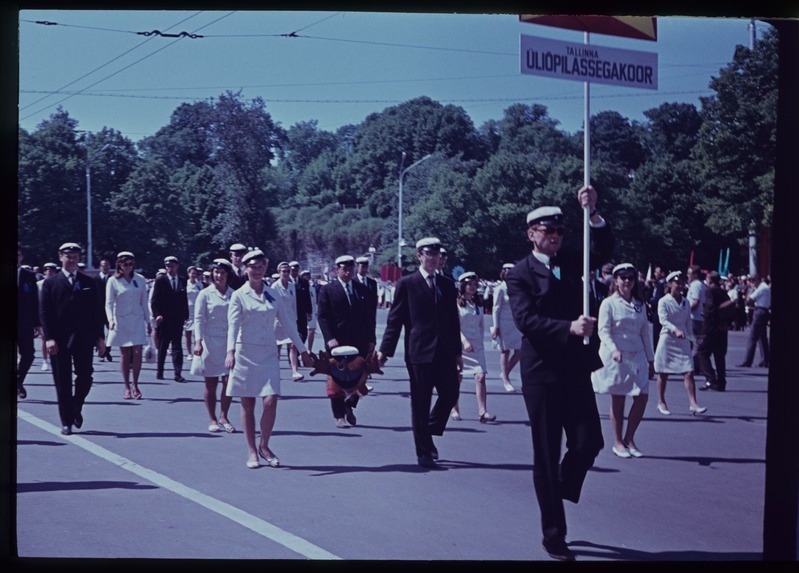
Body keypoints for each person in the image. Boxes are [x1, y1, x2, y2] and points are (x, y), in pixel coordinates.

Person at [505, 185, 614, 561]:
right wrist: (568, 328)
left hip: (575, 369)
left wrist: (593, 211)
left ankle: (563, 485)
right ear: (532, 233)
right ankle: (554, 533)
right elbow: (526, 320)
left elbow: (602, 250)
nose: (555, 237)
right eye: (548, 231)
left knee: (590, 442)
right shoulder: (519, 274)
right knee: (546, 455)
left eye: (560, 232)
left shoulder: (570, 259)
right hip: (541, 374)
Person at [377, 237, 462, 470]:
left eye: (437, 255)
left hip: (444, 352)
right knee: (420, 403)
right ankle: (423, 451)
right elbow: (395, 320)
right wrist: (385, 351)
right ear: (419, 256)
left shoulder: (446, 284)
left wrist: (457, 351)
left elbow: (453, 321)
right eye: (429, 254)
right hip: (419, 353)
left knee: (450, 393)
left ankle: (430, 429)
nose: (434, 259)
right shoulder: (407, 284)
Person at [225, 249, 313, 469]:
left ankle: (265, 445)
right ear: (245, 270)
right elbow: (233, 326)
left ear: (266, 268)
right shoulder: (238, 295)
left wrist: (303, 350)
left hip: (268, 353)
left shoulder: (273, 294)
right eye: (252, 267)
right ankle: (252, 450)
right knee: (247, 403)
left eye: (261, 267)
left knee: (271, 400)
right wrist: (230, 352)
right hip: (245, 353)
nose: (257, 271)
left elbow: (287, 323)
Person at [39, 242, 106, 435]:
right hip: (58, 339)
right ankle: (67, 421)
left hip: (84, 337)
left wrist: (100, 337)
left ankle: (76, 405)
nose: (72, 259)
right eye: (68, 256)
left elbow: (96, 311)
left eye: (76, 256)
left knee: (85, 376)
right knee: (63, 381)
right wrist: (49, 337)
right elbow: (45, 312)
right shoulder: (51, 283)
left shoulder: (89, 282)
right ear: (60, 257)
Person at [590, 263, 655, 458]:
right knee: (618, 398)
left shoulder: (639, 304)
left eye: (631, 278)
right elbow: (603, 330)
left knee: (642, 396)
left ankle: (629, 438)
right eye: (623, 277)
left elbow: (645, 333)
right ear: (616, 281)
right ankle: (618, 442)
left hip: (636, 356)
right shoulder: (608, 303)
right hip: (616, 357)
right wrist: (614, 349)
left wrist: (651, 360)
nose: (627, 281)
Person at [316, 254, 377, 428]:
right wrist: (330, 338)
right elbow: (323, 317)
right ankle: (339, 416)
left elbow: (369, 317)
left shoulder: (363, 290)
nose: (348, 271)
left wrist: (371, 340)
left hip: (360, 340)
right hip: (337, 342)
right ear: (337, 270)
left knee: (361, 377)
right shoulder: (328, 290)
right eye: (344, 268)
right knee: (336, 379)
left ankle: (350, 404)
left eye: (350, 268)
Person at [654, 271, 708, 416]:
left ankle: (693, 403)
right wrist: (674, 329)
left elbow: (688, 322)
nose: (680, 285)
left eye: (682, 282)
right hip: (667, 340)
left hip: (682, 341)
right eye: (677, 282)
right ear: (670, 284)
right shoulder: (664, 301)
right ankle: (661, 401)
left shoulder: (686, 302)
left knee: (689, 371)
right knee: (663, 373)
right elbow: (663, 320)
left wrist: (692, 339)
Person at [194, 258, 236, 433]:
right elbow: (198, 319)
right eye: (216, 272)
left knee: (229, 381)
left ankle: (224, 415)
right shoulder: (205, 294)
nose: (219, 275)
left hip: (228, 343)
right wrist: (198, 341)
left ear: (227, 275)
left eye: (222, 272)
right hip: (210, 342)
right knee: (211, 383)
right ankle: (212, 418)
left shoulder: (234, 294)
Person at [104, 251, 150, 400]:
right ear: (119, 265)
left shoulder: (140, 280)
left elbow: (144, 302)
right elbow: (109, 303)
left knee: (137, 353)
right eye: (124, 264)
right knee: (125, 354)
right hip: (121, 320)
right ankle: (126, 387)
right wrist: (110, 319)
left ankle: (135, 384)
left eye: (130, 264)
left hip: (137, 319)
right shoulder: (113, 281)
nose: (128, 267)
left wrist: (149, 322)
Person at [450, 271, 495, 423]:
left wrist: (481, 343)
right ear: (462, 285)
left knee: (481, 376)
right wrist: (463, 341)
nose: (473, 287)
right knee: (457, 377)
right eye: (469, 284)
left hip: (476, 346)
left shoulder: (478, 304)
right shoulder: (455, 303)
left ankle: (483, 412)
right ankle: (454, 407)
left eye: (475, 284)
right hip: (460, 345)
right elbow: (453, 326)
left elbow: (481, 325)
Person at [150, 255, 189, 382]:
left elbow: (184, 300)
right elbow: (154, 300)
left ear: (177, 266)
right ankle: (160, 371)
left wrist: (186, 315)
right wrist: (157, 314)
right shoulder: (161, 280)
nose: (169, 268)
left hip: (177, 319)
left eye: (172, 265)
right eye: (167, 266)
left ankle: (178, 373)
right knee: (163, 346)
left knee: (177, 347)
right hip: (164, 319)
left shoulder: (183, 280)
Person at [696, 271, 735, 391]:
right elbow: (731, 310)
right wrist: (725, 323)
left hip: (710, 328)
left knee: (702, 351)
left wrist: (706, 320)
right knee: (719, 355)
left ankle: (710, 378)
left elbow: (710, 309)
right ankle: (721, 382)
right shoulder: (724, 292)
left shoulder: (710, 291)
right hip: (722, 329)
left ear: (710, 280)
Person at [491, 262, 522, 392]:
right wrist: (496, 326)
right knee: (505, 351)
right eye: (507, 271)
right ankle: (506, 379)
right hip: (504, 323)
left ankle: (505, 372)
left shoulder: (518, 287)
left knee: (520, 351)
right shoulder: (500, 288)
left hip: (516, 323)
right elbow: (495, 309)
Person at [272, 261, 304, 381]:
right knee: (277, 348)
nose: (286, 273)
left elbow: (293, 304)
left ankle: (295, 371)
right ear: (279, 272)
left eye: (287, 271)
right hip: (278, 321)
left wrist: (295, 319)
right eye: (283, 271)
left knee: (293, 346)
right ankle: (274, 371)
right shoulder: (274, 287)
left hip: (290, 320)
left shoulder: (291, 286)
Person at [17, 245, 42, 399]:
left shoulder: (29, 276)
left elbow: (34, 301)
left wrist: (37, 323)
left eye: (17, 254)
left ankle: (18, 381)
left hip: (24, 322)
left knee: (29, 354)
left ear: (22, 257)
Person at [737, 273, 771, 368]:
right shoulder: (764, 287)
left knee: (752, 337)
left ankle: (747, 361)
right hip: (763, 311)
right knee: (762, 337)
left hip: (759, 311)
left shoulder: (761, 288)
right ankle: (765, 360)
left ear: (757, 279)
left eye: (752, 281)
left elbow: (750, 299)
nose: (751, 283)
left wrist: (750, 292)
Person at [37, 262, 59, 372]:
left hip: (56, 316)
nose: (50, 272)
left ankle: (55, 359)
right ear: (44, 271)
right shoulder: (39, 284)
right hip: (43, 315)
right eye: (48, 270)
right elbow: (36, 301)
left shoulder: (58, 282)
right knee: (44, 339)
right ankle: (45, 361)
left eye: (52, 270)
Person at [184, 265, 205, 358]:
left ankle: (197, 351)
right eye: (192, 273)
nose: (193, 275)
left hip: (197, 310)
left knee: (197, 333)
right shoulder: (185, 284)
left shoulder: (200, 285)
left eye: (195, 274)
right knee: (187, 333)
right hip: (187, 310)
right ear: (188, 274)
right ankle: (189, 353)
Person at [96, 258, 114, 362]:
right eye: (103, 265)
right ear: (100, 267)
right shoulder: (95, 279)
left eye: (107, 265)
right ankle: (102, 353)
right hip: (98, 310)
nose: (105, 267)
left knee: (111, 332)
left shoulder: (113, 279)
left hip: (110, 310)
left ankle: (107, 350)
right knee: (100, 332)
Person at [301, 270, 318, 353]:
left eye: (308, 275)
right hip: (302, 313)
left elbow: (314, 302)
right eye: (305, 275)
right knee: (302, 333)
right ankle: (301, 350)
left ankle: (309, 350)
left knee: (311, 331)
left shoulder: (312, 288)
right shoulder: (300, 287)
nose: (307, 277)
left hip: (312, 313)